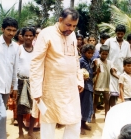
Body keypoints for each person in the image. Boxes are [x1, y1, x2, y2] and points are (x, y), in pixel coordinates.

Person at [29, 8, 84, 139]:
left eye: (74, 26)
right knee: (49, 122)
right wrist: (36, 90)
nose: (71, 29)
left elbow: (75, 59)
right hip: (51, 87)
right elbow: (36, 63)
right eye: (68, 25)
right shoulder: (46, 34)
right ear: (60, 20)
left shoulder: (72, 35)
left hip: (70, 88)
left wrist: (79, 79)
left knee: (75, 121)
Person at [0, 17, 19, 139]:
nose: (11, 33)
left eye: (14, 30)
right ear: (2, 29)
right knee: (3, 116)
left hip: (6, 86)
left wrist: (15, 87)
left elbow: (15, 69)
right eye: (8, 29)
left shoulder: (16, 47)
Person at [104, 24, 131, 107]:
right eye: (118, 33)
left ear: (124, 34)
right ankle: (110, 111)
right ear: (115, 33)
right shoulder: (109, 41)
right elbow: (103, 53)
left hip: (122, 72)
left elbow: (128, 58)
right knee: (112, 93)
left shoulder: (127, 44)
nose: (120, 35)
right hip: (110, 70)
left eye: (122, 34)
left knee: (121, 93)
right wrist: (110, 66)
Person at [17, 27, 36, 139]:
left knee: (34, 107)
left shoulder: (37, 50)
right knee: (20, 107)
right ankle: (20, 132)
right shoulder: (19, 49)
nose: (28, 37)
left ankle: (31, 131)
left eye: (31, 35)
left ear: (34, 37)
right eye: (26, 35)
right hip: (21, 82)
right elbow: (15, 66)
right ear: (22, 36)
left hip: (34, 82)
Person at [92, 45, 118, 122]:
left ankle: (107, 117)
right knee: (95, 101)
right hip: (98, 84)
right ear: (100, 53)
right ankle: (93, 116)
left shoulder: (110, 63)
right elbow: (93, 72)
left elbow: (112, 72)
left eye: (106, 54)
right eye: (103, 54)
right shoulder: (96, 61)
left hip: (106, 84)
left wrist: (118, 77)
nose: (104, 55)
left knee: (107, 101)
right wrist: (96, 69)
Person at [79, 44, 95, 135]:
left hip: (89, 85)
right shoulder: (81, 60)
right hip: (83, 86)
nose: (90, 55)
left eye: (92, 53)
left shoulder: (90, 61)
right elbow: (77, 71)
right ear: (84, 52)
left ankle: (84, 123)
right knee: (82, 105)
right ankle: (80, 126)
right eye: (88, 53)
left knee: (88, 105)